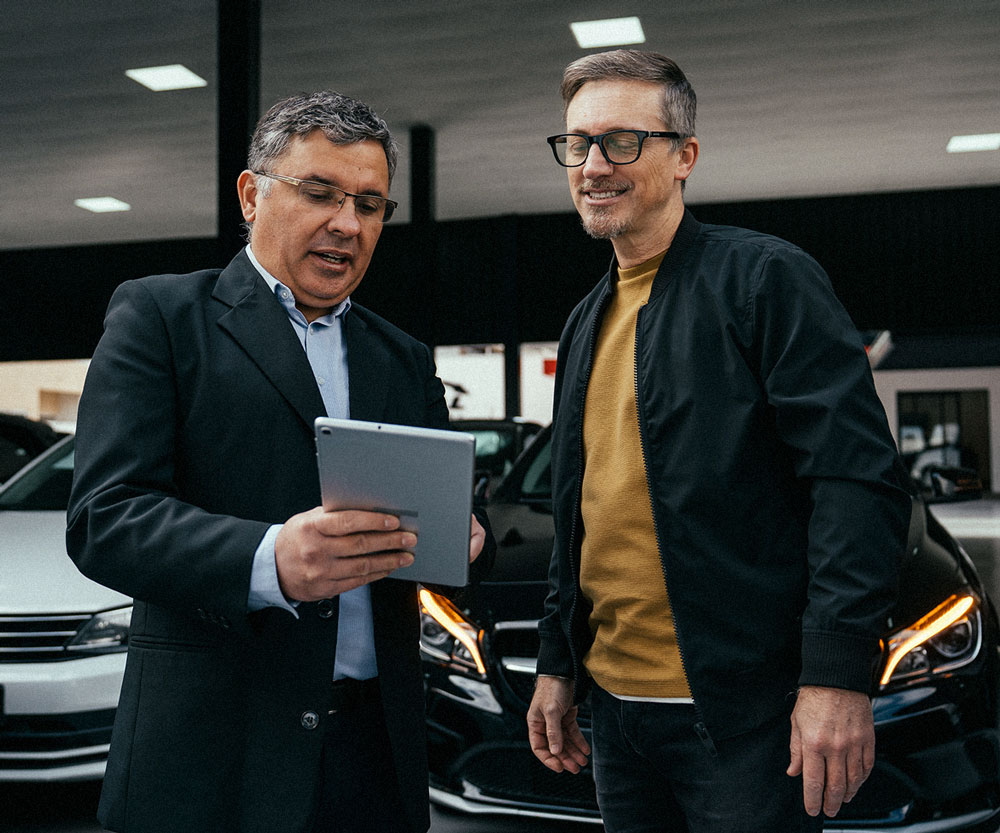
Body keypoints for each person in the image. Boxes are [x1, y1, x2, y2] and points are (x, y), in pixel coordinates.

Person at [66, 90, 494, 833]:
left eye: (370, 204)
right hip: (212, 757)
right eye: (320, 193)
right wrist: (268, 558)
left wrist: (469, 535)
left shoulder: (402, 356)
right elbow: (106, 516)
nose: (347, 224)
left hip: (373, 757)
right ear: (251, 194)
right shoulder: (161, 318)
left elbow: (447, 508)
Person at [526, 49, 910, 832]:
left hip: (743, 719)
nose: (594, 164)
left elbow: (855, 479)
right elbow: (582, 515)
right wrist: (559, 663)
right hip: (618, 718)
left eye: (622, 141)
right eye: (578, 143)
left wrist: (838, 675)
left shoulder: (765, 279)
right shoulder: (585, 318)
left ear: (685, 156)